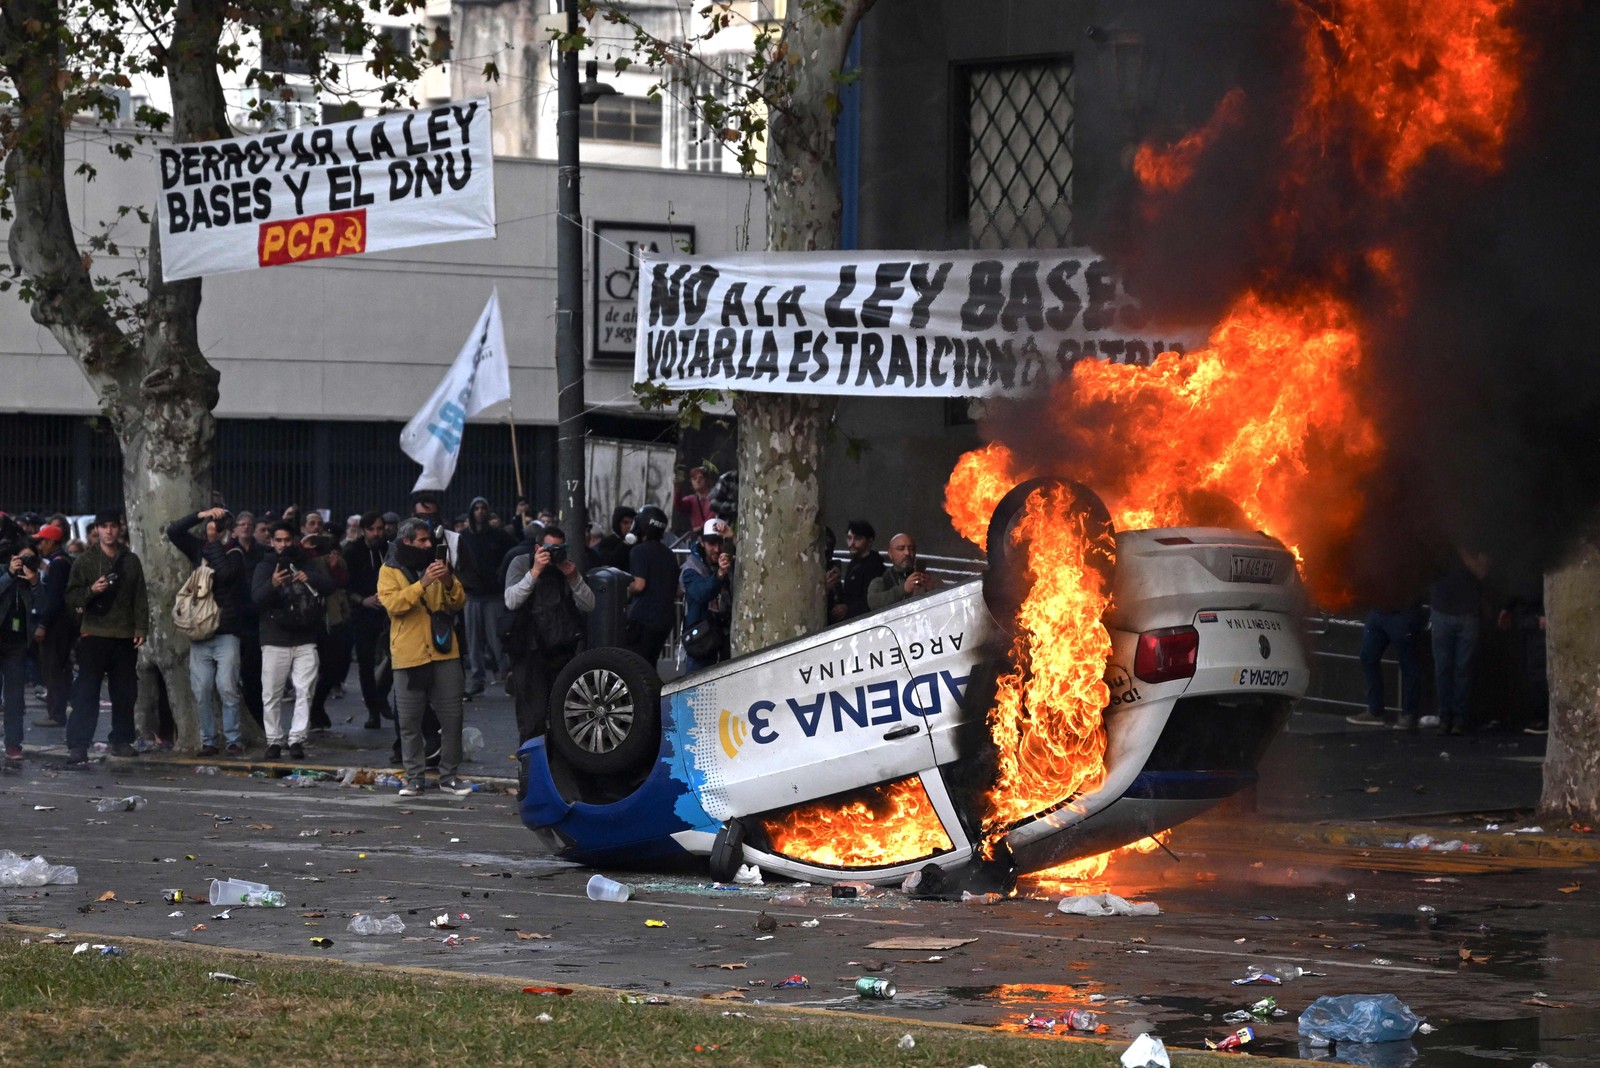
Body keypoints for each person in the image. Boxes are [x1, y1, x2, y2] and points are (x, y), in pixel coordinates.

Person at [378, 518, 473, 796]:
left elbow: (458, 602)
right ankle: (414, 777)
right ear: (406, 541)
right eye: (422, 540)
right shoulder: (389, 569)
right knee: (409, 722)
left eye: (429, 539)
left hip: (444, 652)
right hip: (409, 655)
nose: (428, 544)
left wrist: (446, 582)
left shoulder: (439, 564)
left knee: (452, 718)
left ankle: (449, 777)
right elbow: (394, 605)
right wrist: (423, 583)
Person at [63, 511, 149, 766]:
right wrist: (92, 590)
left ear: (119, 529)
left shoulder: (131, 560)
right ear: (97, 530)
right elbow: (71, 597)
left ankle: (121, 740)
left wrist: (141, 629)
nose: (109, 531)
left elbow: (140, 597)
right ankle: (78, 744)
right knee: (86, 693)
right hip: (94, 635)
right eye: (104, 527)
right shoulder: (85, 561)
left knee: (125, 693)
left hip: (124, 636)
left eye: (113, 526)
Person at [165, 505, 248, 757]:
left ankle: (233, 738)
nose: (215, 529)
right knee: (201, 690)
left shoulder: (235, 553)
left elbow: (224, 574)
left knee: (227, 688)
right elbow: (173, 531)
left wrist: (213, 542)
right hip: (200, 631)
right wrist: (199, 515)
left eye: (220, 526)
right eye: (212, 525)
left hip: (226, 632)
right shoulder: (198, 549)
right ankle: (208, 740)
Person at [504, 526, 595, 743]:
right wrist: (535, 571)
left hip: (561, 649)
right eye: (549, 548)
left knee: (563, 715)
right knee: (532, 717)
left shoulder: (565, 569)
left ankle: (559, 768)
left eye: (559, 548)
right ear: (538, 548)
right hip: (529, 650)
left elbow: (589, 605)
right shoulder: (521, 563)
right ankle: (531, 768)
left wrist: (574, 578)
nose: (554, 554)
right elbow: (511, 601)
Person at [252, 522, 334, 760]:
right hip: (274, 638)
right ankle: (274, 740)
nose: (283, 545)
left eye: (287, 540)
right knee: (271, 693)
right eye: (278, 540)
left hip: (305, 637)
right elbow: (255, 599)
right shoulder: (265, 566)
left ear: (294, 540)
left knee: (304, 690)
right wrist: (273, 584)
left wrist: (311, 578)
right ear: (271, 542)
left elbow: (331, 587)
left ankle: (297, 739)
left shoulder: (309, 563)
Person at [456, 496, 516, 697]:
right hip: (472, 596)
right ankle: (477, 679)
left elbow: (514, 552)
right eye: (477, 508)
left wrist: (502, 574)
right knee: (473, 643)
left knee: (497, 640)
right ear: (471, 512)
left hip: (492, 595)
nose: (480, 511)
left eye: (483, 508)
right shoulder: (463, 537)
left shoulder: (499, 535)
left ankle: (508, 676)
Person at [1430, 545, 1490, 736]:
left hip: (1467, 614)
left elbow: (1482, 572)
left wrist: (1463, 550)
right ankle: (1445, 717)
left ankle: (1459, 718)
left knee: (1462, 668)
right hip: (1442, 610)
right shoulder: (1439, 541)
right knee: (1443, 669)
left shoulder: (1475, 541)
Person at [344, 511, 394, 728]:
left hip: (389, 610)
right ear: (363, 530)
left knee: (395, 655)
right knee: (365, 661)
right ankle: (373, 709)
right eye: (372, 529)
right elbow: (345, 585)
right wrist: (362, 600)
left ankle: (381, 695)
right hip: (363, 611)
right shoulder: (353, 551)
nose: (377, 533)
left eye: (380, 529)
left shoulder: (389, 549)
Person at [1346, 601, 1429, 730]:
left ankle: (1409, 714)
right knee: (1368, 658)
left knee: (1408, 665)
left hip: (1402, 612)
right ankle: (1376, 711)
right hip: (1382, 611)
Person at [29, 523, 73, 731]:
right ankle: (56, 711)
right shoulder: (59, 562)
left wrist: (43, 624)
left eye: (42, 541)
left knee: (53, 669)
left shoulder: (59, 564)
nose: (39, 546)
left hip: (56, 627)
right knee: (56, 669)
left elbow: (54, 599)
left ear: (51, 542)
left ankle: (55, 713)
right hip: (60, 626)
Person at [1, 535, 41, 760]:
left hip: (17, 644)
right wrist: (9, 574)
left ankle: (13, 743)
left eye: (31, 558)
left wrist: (34, 582)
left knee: (15, 697)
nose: (26, 562)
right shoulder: (2, 571)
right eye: (23, 557)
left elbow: (43, 605)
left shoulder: (32, 577)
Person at [624, 506, 677, 666]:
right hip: (665, 620)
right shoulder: (669, 554)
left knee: (635, 665)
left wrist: (624, 589)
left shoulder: (639, 551)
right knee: (650, 663)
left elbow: (639, 584)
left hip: (643, 618)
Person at [230, 511, 268, 726]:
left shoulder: (263, 552)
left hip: (255, 617)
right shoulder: (229, 551)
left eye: (249, 524)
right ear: (235, 528)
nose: (245, 527)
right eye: (241, 524)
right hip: (235, 617)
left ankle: (257, 719)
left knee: (254, 675)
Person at [681, 518, 733, 672]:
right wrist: (719, 574)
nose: (717, 549)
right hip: (701, 642)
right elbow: (703, 593)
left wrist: (730, 537)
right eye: (711, 544)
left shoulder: (726, 561)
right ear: (702, 542)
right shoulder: (691, 569)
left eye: (720, 543)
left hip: (723, 639)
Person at [867, 533, 942, 610]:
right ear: (890, 553)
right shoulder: (880, 582)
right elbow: (873, 602)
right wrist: (903, 589)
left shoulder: (929, 578)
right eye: (901, 548)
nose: (907, 553)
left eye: (911, 549)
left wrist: (932, 589)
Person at [829, 520, 885, 623]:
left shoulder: (875, 566)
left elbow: (873, 600)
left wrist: (849, 609)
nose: (852, 543)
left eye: (858, 538)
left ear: (870, 541)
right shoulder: (853, 564)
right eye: (849, 538)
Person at [593, 506, 637, 572]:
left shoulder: (637, 541)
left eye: (632, 523)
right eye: (625, 523)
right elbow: (609, 562)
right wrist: (625, 543)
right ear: (618, 524)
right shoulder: (608, 542)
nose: (629, 526)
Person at [678, 467, 715, 533]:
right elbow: (679, 505)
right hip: (699, 538)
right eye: (694, 479)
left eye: (700, 478)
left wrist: (701, 527)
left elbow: (713, 515)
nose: (697, 481)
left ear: (706, 480)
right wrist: (677, 487)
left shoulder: (715, 498)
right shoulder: (691, 500)